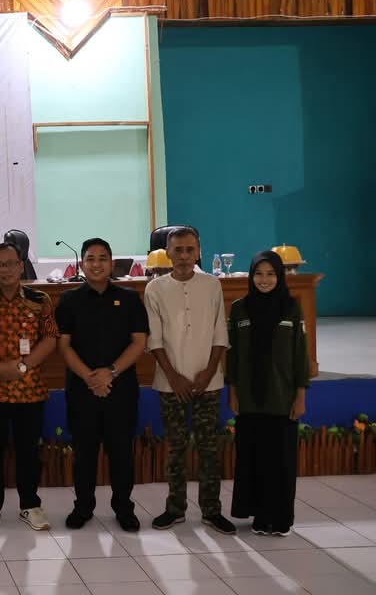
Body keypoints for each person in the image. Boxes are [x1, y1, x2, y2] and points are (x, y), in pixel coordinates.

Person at [145, 227, 235, 534]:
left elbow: (220, 333)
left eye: (190, 250)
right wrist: (174, 377)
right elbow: (155, 339)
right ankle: (175, 509)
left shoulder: (212, 285)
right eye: (178, 250)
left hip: (208, 381)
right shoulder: (155, 289)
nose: (184, 256)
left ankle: (212, 510)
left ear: (198, 253)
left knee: (209, 448)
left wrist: (208, 372)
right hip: (170, 383)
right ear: (167, 253)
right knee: (176, 447)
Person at [56, 238, 149, 533]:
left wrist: (110, 373)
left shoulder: (130, 298)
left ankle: (124, 508)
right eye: (90, 258)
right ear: (82, 263)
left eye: (102, 258)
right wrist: (89, 377)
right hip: (81, 389)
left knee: (121, 452)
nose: (96, 264)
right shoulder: (68, 300)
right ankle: (83, 507)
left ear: (112, 263)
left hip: (120, 389)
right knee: (84, 452)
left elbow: (139, 342)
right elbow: (64, 345)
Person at [0, 242, 58, 532]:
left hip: (29, 388)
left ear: (21, 266)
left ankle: (29, 505)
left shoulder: (40, 299)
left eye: (10, 264)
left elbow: (50, 338)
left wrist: (23, 366)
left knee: (28, 451)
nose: (5, 269)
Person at [228, 251, 309, 536]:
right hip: (249, 398)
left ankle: (281, 518)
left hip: (282, 397)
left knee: (281, 461)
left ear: (280, 276)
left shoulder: (291, 308)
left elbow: (300, 355)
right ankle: (260, 517)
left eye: (271, 274)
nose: (264, 280)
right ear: (251, 276)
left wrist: (300, 395)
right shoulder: (239, 309)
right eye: (258, 274)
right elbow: (233, 356)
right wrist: (233, 392)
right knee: (254, 459)